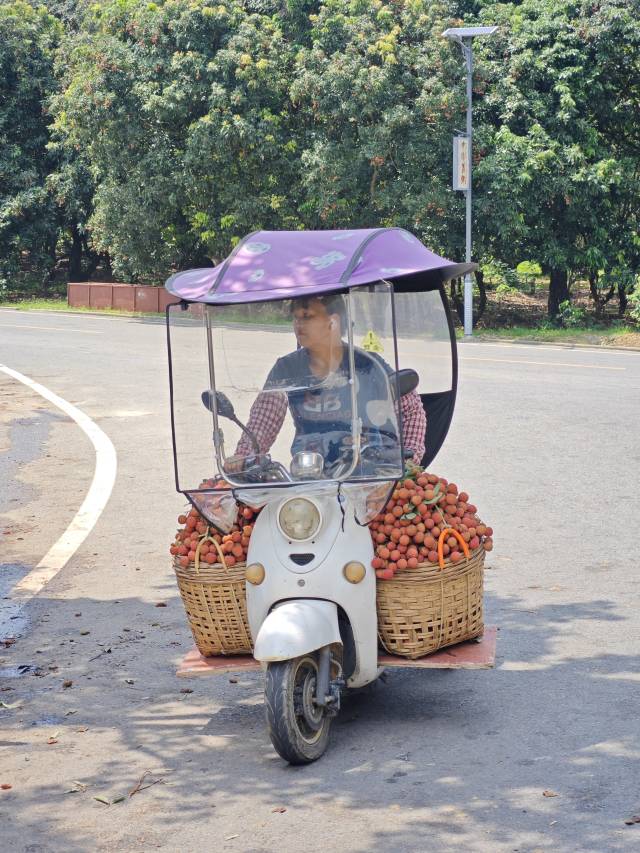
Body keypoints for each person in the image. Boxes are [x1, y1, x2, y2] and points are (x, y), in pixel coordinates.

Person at [229, 293, 426, 473]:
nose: (298, 324)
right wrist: (244, 456)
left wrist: (409, 457)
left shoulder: (367, 364)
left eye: (307, 317)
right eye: (295, 318)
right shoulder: (286, 369)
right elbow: (263, 420)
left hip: (369, 471)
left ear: (334, 321)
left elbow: (410, 408)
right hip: (311, 472)